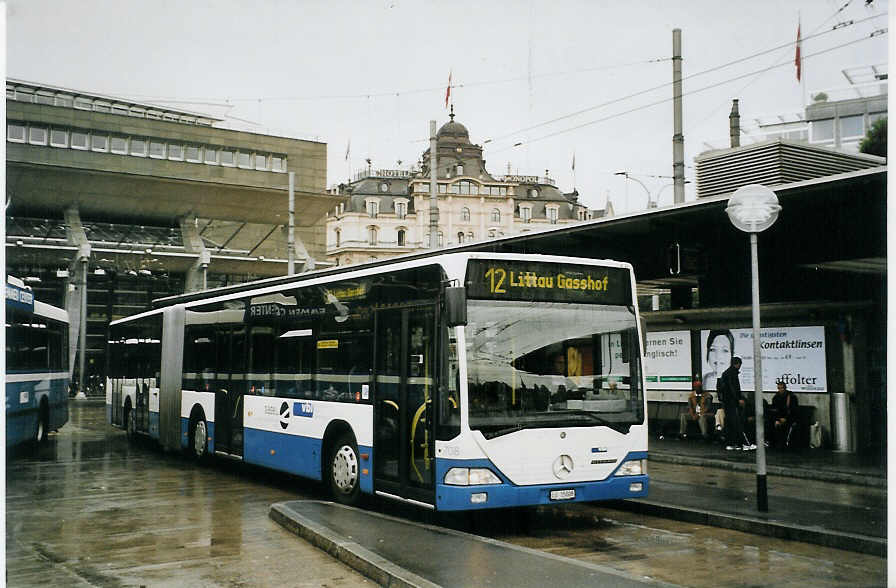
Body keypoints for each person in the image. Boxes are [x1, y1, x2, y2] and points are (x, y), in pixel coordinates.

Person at [717, 356, 752, 451]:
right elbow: (733, 389)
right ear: (737, 364)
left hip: (726, 402)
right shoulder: (732, 374)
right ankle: (744, 443)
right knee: (737, 422)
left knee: (729, 423)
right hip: (732, 402)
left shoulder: (725, 373)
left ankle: (731, 443)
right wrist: (738, 399)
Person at [768, 381, 800, 448]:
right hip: (779, 418)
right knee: (770, 423)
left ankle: (784, 443)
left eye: (782, 388)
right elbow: (774, 410)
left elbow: (794, 411)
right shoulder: (776, 397)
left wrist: (786, 418)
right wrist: (778, 419)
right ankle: (773, 443)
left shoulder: (792, 397)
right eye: (779, 388)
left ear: (785, 388)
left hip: (789, 418)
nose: (781, 390)